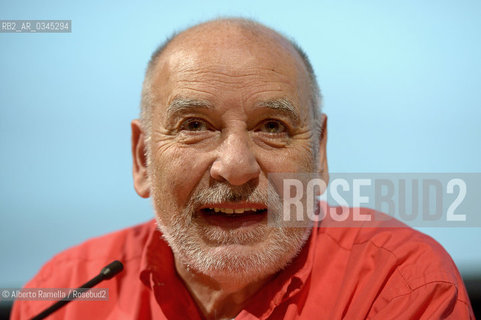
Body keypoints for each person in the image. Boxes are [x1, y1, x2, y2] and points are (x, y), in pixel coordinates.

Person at [11, 18, 474, 319]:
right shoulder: (62, 295)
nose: (235, 168)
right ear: (142, 159)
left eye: (272, 126)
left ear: (320, 155)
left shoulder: (401, 286)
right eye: (195, 125)